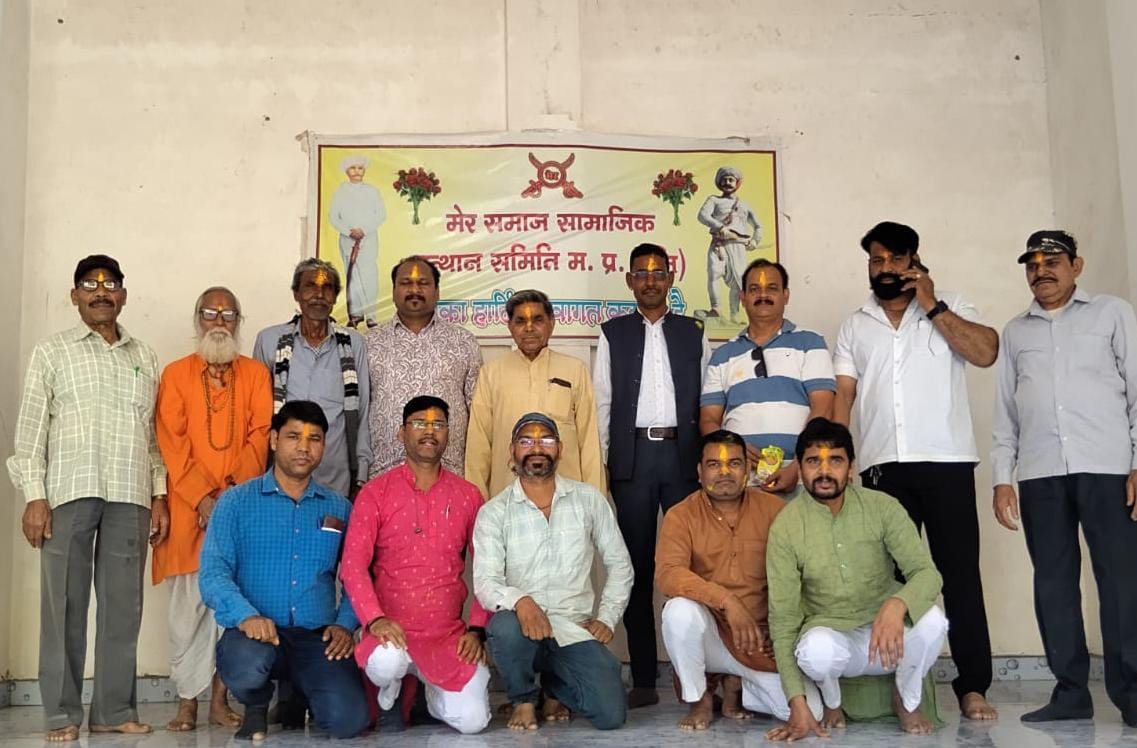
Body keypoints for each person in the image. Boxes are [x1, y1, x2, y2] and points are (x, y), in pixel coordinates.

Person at [832, 221, 999, 720]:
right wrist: (836, 457)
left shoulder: (951, 304)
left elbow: (986, 352)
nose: (884, 268)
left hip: (947, 464)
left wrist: (932, 304)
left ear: (914, 260)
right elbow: (844, 396)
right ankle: (902, 688)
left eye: (894, 258)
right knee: (891, 582)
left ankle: (973, 687)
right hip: (882, 470)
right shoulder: (856, 324)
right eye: (876, 260)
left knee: (959, 577)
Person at [7, 255, 168, 742]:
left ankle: (113, 710)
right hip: (67, 491)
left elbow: (153, 437)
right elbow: (31, 431)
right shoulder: (52, 351)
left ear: (123, 294)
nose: (101, 292)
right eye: (90, 285)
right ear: (74, 296)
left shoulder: (145, 356)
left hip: (130, 493)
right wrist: (34, 496)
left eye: (110, 284)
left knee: (124, 606)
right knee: (64, 604)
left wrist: (159, 494)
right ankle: (61, 713)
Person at [992, 230, 1137, 726]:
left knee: (1120, 582)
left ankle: (1132, 694)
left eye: (1052, 261)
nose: (1041, 271)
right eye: (1032, 264)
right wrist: (1002, 477)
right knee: (1053, 584)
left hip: (1108, 467)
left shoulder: (1112, 314)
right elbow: (1006, 411)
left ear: (1076, 266)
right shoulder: (1015, 332)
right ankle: (1071, 693)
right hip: (1041, 473)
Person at [765, 418, 947, 740]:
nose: (824, 471)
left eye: (835, 460)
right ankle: (831, 700)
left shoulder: (882, 507)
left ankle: (906, 697)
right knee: (815, 651)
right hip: (834, 639)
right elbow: (783, 622)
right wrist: (796, 702)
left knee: (934, 621)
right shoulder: (786, 527)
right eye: (813, 461)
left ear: (851, 467)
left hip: (887, 637)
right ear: (800, 468)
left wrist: (897, 604)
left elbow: (926, 573)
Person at [199, 400, 369, 741]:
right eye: (293, 436)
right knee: (246, 663)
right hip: (256, 633)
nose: (304, 447)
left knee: (349, 721)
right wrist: (246, 616)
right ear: (274, 439)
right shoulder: (236, 502)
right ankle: (256, 704)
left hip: (316, 637)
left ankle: (301, 696)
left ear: (324, 446)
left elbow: (359, 575)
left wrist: (345, 623)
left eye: (314, 438)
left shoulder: (339, 508)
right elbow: (213, 573)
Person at [593, 242, 710, 707]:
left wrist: (705, 460)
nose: (649, 280)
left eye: (658, 272)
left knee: (693, 565)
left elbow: (707, 401)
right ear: (629, 280)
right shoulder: (613, 333)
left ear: (670, 278)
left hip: (684, 457)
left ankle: (695, 676)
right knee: (636, 568)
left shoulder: (693, 333)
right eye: (640, 273)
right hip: (633, 460)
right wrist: (606, 465)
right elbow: (603, 402)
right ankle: (643, 678)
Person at [152, 287, 272, 732]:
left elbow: (260, 435)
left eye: (228, 313)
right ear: (196, 319)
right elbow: (172, 441)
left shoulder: (256, 374)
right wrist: (202, 497)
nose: (218, 321)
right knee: (186, 613)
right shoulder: (175, 374)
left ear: (239, 321)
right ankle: (186, 703)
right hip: (188, 509)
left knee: (231, 608)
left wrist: (226, 498)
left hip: (238, 507)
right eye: (209, 312)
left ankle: (219, 703)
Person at [473, 413, 633, 731]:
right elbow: (485, 583)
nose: (536, 448)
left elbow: (620, 564)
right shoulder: (494, 512)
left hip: (572, 628)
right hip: (522, 629)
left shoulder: (588, 500)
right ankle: (523, 699)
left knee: (611, 715)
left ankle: (553, 688)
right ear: (512, 451)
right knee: (504, 627)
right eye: (526, 441)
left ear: (559, 449)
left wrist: (606, 617)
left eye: (545, 440)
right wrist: (521, 601)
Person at [341, 395, 491, 734]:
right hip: (390, 629)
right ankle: (391, 691)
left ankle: (429, 697)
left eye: (438, 424)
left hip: (445, 635)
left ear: (448, 434)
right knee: (387, 662)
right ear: (401, 432)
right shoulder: (376, 493)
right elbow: (352, 565)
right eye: (419, 423)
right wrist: (374, 619)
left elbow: (487, 567)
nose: (429, 431)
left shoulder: (468, 496)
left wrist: (477, 629)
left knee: (473, 722)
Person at [656, 429, 822, 730]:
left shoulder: (775, 510)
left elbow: (804, 574)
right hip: (712, 637)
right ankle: (700, 699)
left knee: (812, 713)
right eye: (714, 464)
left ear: (747, 470)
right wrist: (727, 601)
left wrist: (782, 635)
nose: (724, 472)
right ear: (699, 472)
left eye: (734, 463)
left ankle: (738, 685)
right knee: (678, 611)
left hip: (760, 643)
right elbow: (668, 574)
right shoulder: (681, 515)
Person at [700, 259, 835, 494]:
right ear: (742, 297)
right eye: (754, 289)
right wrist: (735, 449)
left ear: (786, 295)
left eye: (771, 288)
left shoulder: (810, 343)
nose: (763, 295)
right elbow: (708, 420)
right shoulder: (722, 355)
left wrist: (798, 466)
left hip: (801, 477)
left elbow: (823, 409)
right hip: (741, 481)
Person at [466, 289, 603, 499]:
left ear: (552, 323)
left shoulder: (575, 370)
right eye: (520, 321)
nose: (529, 328)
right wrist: (477, 503)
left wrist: (595, 501)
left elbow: (589, 442)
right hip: (507, 496)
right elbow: (479, 444)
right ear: (510, 327)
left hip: (567, 497)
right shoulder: (491, 373)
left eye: (537, 320)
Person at [254, 258, 371, 499]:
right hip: (281, 475)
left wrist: (360, 476)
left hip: (334, 477)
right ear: (296, 293)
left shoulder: (353, 343)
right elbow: (258, 415)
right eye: (310, 286)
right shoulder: (269, 340)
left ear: (335, 297)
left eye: (327, 288)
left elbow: (362, 411)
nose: (319, 295)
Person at [365, 256, 481, 478]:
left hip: (449, 473)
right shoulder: (369, 343)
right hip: (384, 473)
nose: (414, 290)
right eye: (406, 283)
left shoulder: (463, 342)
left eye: (423, 283)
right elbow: (358, 412)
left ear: (437, 292)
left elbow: (478, 414)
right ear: (393, 291)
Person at [696, 165, 761, 324]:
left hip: (738, 247)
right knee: (714, 274)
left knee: (738, 282)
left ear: (737, 182)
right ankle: (716, 309)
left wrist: (754, 241)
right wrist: (720, 227)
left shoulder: (744, 205)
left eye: (731, 179)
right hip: (719, 245)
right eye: (724, 179)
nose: (727, 183)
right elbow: (702, 215)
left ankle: (734, 314)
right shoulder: (714, 200)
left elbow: (758, 226)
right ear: (719, 182)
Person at [329, 154, 386, 327]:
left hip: (368, 240)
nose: (357, 171)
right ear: (346, 171)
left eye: (360, 168)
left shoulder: (372, 191)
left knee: (369, 276)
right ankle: (355, 314)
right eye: (353, 168)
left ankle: (371, 316)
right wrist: (349, 231)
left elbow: (381, 215)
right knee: (352, 277)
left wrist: (364, 230)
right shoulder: (341, 191)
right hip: (347, 241)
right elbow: (333, 216)